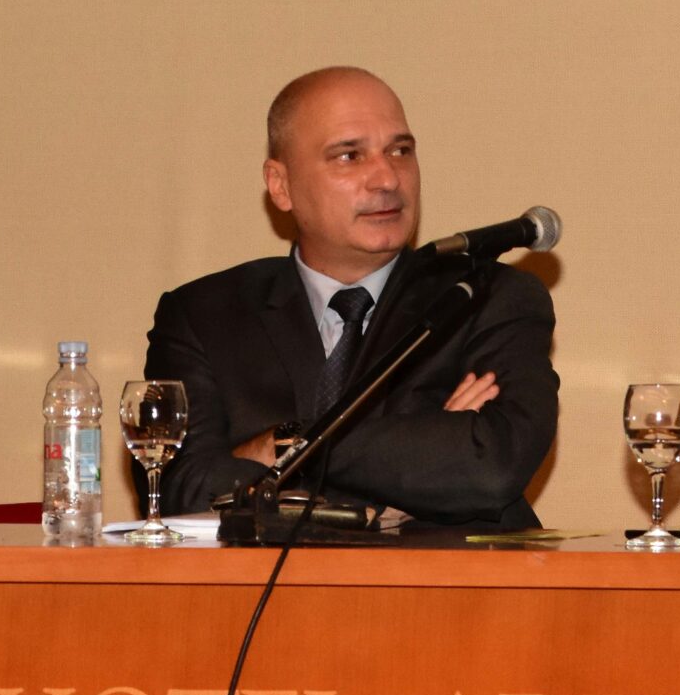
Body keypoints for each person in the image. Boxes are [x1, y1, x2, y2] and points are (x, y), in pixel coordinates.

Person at [144, 66, 558, 530]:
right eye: (349, 156)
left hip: (450, 576)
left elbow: (489, 466)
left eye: (400, 151)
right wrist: (421, 450)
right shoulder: (204, 315)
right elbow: (178, 490)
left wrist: (284, 447)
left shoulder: (487, 297)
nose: (387, 178)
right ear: (281, 185)